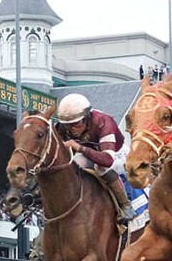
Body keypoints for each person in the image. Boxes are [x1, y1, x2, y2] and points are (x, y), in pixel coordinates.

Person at [55, 93, 136, 221]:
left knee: (100, 167)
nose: (72, 129)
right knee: (73, 165)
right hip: (90, 154)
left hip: (116, 153)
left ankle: (125, 205)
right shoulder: (62, 127)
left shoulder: (104, 122)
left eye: (76, 123)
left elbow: (107, 160)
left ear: (87, 118)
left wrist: (79, 147)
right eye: (68, 125)